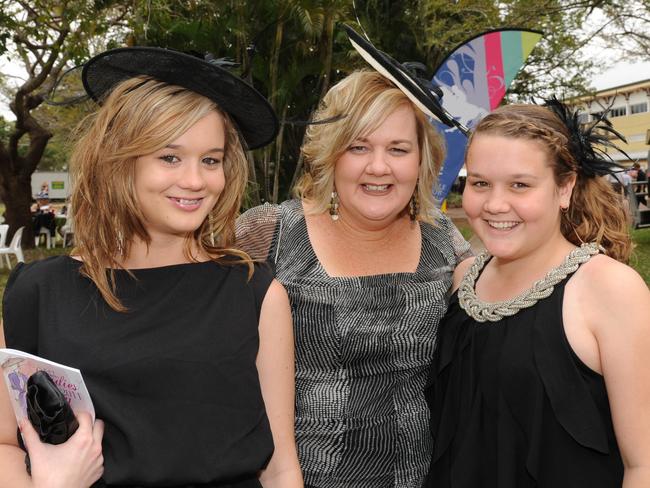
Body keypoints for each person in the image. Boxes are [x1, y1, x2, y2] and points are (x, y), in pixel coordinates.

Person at [0, 47, 302, 488]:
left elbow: (279, 467)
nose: (196, 181)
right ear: (120, 161)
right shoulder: (38, 294)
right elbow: (6, 444)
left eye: (211, 160)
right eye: (170, 157)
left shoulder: (255, 293)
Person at [236, 66, 471, 487]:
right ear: (330, 152)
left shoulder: (444, 239)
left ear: (422, 158)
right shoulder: (268, 232)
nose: (378, 167)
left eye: (398, 149)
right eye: (359, 147)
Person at [424, 102, 650, 487]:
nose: (495, 204)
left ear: (565, 187)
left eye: (520, 184)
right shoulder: (462, 280)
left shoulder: (609, 290)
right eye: (480, 183)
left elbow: (643, 465)